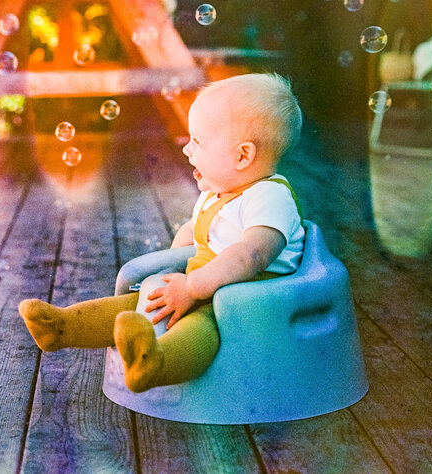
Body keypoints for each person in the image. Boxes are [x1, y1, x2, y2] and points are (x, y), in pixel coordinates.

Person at [18, 73, 305, 393]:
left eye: (198, 141)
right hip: (208, 288)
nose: (187, 150)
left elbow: (250, 254)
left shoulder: (270, 197)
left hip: (247, 305)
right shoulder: (218, 192)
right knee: (143, 301)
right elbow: (194, 234)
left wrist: (193, 287)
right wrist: (170, 268)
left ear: (242, 156)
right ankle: (64, 328)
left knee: (201, 329)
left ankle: (156, 362)